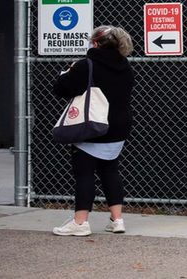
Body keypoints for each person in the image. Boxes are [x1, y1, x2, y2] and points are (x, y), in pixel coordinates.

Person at [52, 26, 134, 236]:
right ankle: (117, 220)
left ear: (96, 43)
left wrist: (67, 72)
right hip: (118, 128)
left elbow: (61, 89)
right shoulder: (125, 65)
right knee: (110, 171)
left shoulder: (85, 65)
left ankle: (80, 223)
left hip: (92, 126)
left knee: (84, 174)